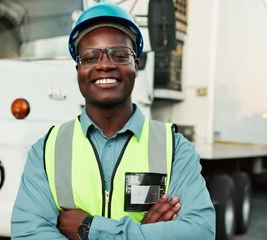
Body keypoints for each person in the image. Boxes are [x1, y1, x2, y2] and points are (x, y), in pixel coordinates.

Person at [11, 2, 215, 239]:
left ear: (135, 66)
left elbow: (200, 232)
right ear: (78, 69)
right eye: (90, 57)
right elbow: (28, 234)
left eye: (120, 55)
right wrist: (145, 233)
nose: (105, 65)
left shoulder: (174, 148)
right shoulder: (47, 150)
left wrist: (90, 228)